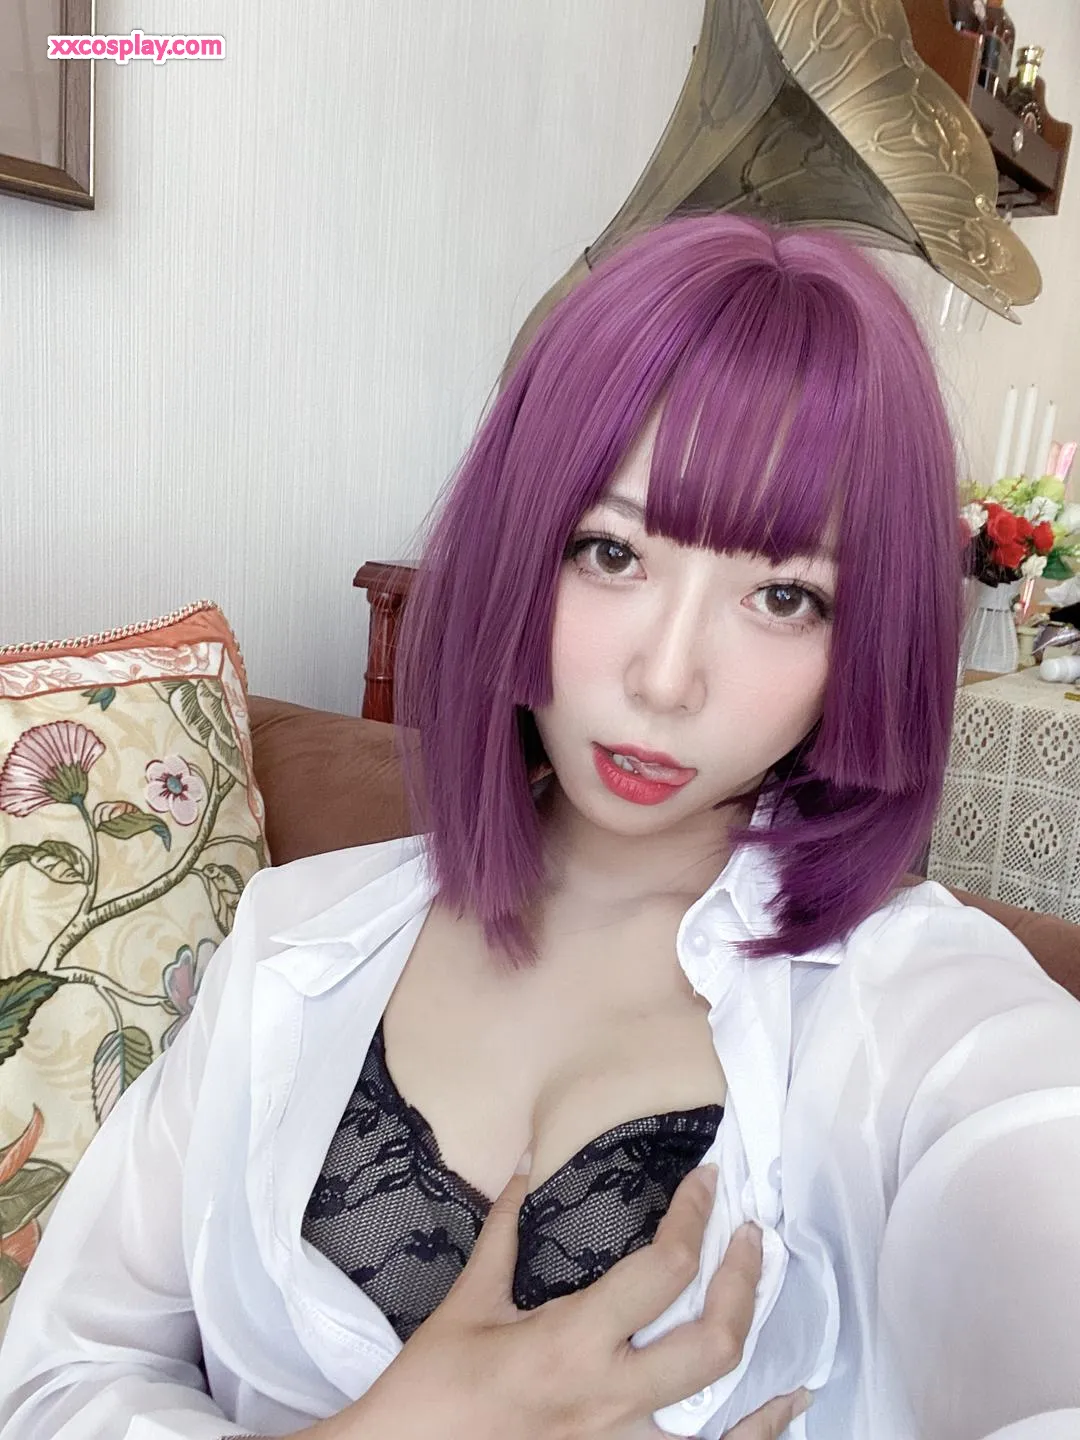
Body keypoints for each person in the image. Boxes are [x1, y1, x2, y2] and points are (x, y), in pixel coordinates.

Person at [1, 215, 1079, 1440]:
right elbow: (58, 1383)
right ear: (522, 547)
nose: (665, 679)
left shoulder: (923, 1016)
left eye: (785, 595)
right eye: (610, 551)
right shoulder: (294, 938)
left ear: (864, 639)